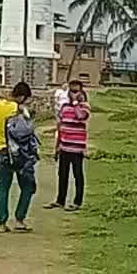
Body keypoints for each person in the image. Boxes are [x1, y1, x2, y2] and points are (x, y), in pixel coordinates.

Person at [0, 80, 30, 230]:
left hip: (2, 149)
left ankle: (2, 222)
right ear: (22, 97)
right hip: (19, 152)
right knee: (27, 186)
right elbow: (28, 130)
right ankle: (20, 219)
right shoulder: (20, 110)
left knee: (3, 188)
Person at [50, 79, 90, 210]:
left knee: (78, 174)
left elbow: (80, 116)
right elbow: (60, 126)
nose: (73, 93)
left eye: (76, 90)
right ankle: (60, 200)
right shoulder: (64, 107)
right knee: (62, 174)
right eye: (71, 90)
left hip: (77, 148)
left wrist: (75, 103)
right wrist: (57, 147)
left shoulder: (84, 107)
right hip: (64, 146)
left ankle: (77, 202)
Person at [5, 90, 40, 230]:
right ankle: (20, 218)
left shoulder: (10, 115)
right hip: (23, 157)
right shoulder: (21, 117)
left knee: (7, 188)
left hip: (13, 154)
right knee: (28, 187)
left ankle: (7, 219)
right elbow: (22, 134)